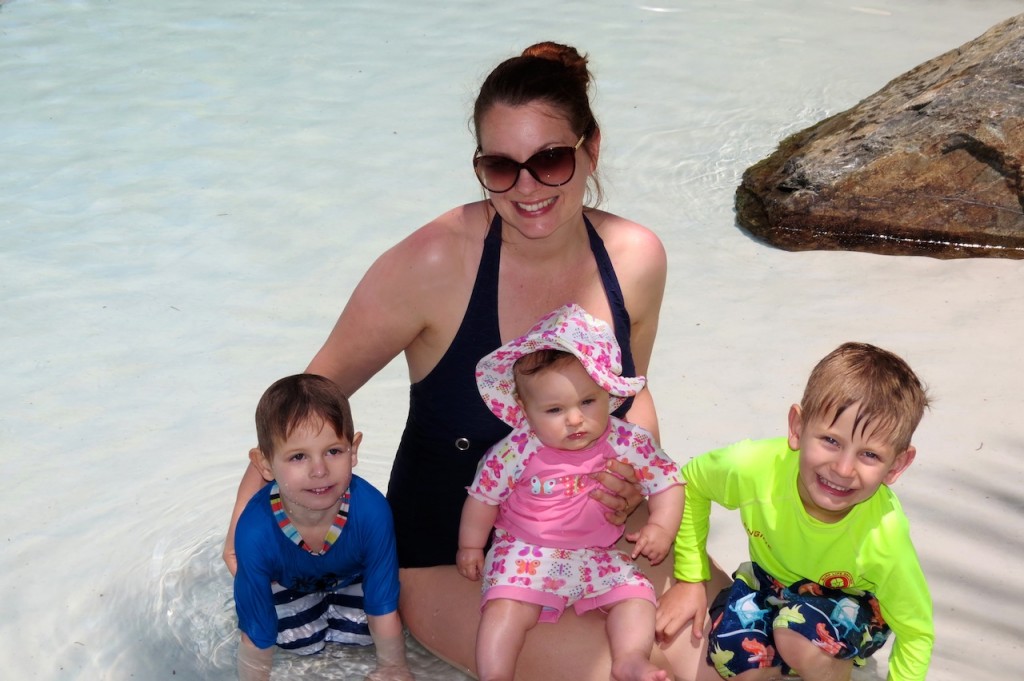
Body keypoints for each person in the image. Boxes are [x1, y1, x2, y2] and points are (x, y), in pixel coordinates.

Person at [225, 41, 720, 678]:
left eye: (551, 159)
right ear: (480, 167)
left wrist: (635, 473)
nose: (528, 186)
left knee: (751, 656)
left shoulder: (634, 257)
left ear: (591, 149)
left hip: (601, 534)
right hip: (456, 559)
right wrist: (246, 532)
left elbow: (630, 391)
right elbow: (309, 396)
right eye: (502, 166)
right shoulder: (434, 263)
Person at [656, 342, 934, 681]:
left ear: (897, 465)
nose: (844, 469)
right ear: (797, 428)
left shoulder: (883, 535)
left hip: (849, 606)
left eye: (870, 455)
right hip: (768, 587)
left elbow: (916, 631)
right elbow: (692, 481)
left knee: (797, 634)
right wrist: (690, 576)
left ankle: (833, 670)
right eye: (831, 441)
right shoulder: (753, 469)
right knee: (738, 658)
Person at [457, 303, 684, 681]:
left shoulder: (625, 439)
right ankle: (495, 675)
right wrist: (470, 545)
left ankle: (629, 660)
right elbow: (483, 498)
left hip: (598, 552)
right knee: (505, 607)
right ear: (525, 411)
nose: (575, 419)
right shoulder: (515, 451)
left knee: (636, 596)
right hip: (525, 549)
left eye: (587, 402)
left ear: (607, 394)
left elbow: (666, 480)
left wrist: (661, 526)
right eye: (555, 409)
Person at [233, 374, 412, 681]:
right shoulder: (255, 533)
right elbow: (256, 628)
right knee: (297, 643)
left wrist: (393, 667)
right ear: (264, 464)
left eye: (333, 451)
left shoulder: (371, 513)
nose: (320, 470)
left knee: (365, 636)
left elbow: (381, 603)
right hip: (289, 583)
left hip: (350, 579)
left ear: (353, 450)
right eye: (298, 456)